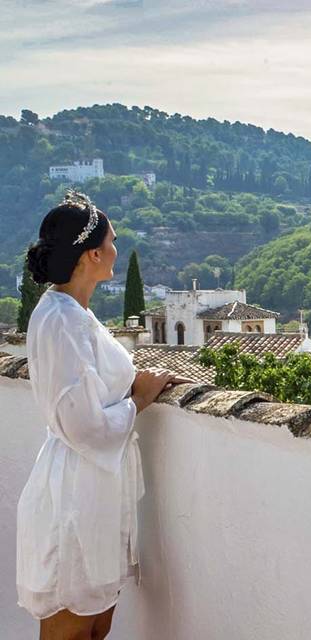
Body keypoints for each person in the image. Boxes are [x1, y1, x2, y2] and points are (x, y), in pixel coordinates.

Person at [17, 191, 187, 639]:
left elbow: (100, 386)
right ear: (93, 254)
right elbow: (84, 426)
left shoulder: (77, 316)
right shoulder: (61, 322)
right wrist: (142, 400)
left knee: (96, 627)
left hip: (97, 492)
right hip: (74, 494)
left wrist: (133, 385)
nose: (117, 248)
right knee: (71, 628)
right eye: (112, 240)